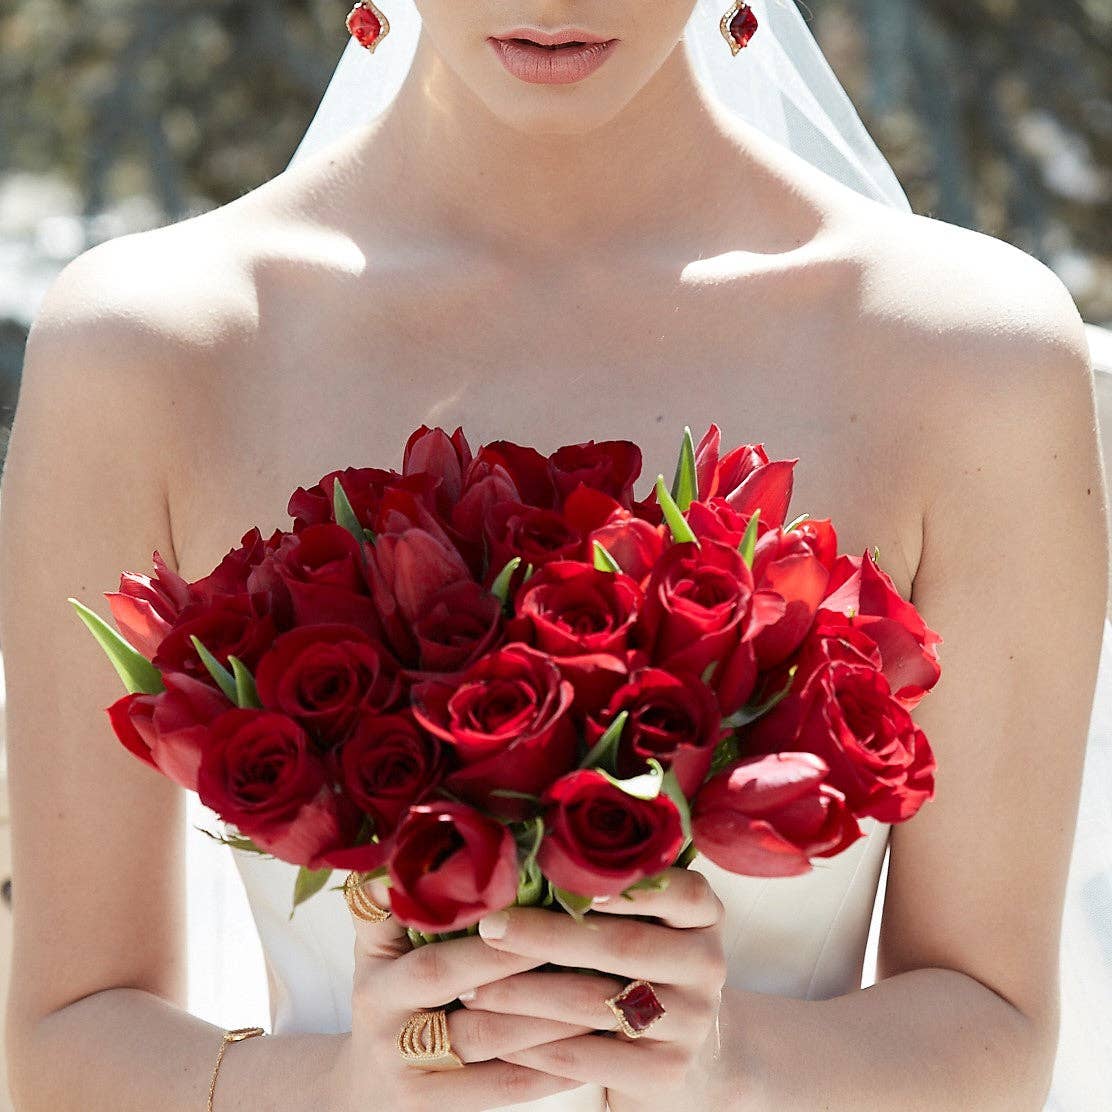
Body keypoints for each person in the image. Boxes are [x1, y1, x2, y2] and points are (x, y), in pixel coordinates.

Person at [1, 1, 1108, 1110]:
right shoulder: (145, 349)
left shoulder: (971, 359)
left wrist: (735, 1064)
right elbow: (62, 1040)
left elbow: (994, 1023)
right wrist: (333, 1086)